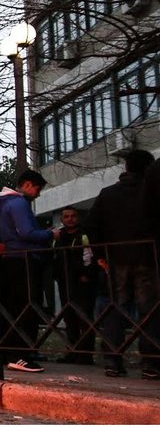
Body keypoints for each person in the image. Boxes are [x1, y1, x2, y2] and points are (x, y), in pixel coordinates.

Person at [86, 149, 159, 380]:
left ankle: (113, 359)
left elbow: (92, 225)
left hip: (116, 258)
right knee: (150, 310)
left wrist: (100, 253)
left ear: (125, 168)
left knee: (117, 308)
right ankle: (151, 361)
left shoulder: (108, 194)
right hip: (148, 257)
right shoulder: (151, 192)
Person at [0, 169, 59, 373]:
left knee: (15, 307)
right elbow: (26, 232)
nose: (38, 194)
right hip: (25, 258)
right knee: (27, 307)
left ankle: (10, 352)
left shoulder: (5, 204)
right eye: (38, 189)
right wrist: (50, 235)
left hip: (14, 259)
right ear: (28, 185)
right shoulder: (19, 203)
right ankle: (20, 354)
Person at [51, 205, 95, 365]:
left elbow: (89, 254)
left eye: (73, 216)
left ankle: (86, 354)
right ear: (62, 219)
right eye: (67, 216)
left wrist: (86, 274)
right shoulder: (59, 235)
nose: (70, 219)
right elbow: (54, 255)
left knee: (84, 317)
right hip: (64, 281)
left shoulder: (84, 234)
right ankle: (72, 351)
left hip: (82, 282)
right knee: (69, 317)